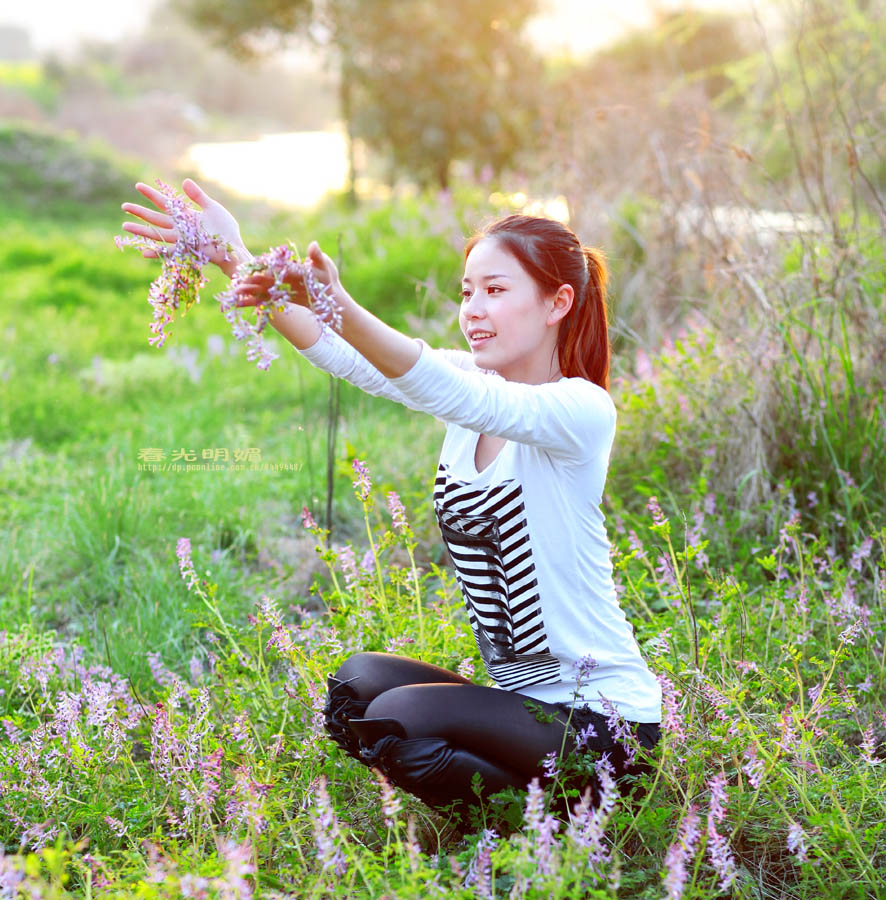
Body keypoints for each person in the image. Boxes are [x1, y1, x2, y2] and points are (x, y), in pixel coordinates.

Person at [120, 178, 662, 821]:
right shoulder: (473, 391)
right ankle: (537, 816)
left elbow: (443, 386)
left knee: (400, 718)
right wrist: (232, 255)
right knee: (355, 689)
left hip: (607, 729)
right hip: (532, 711)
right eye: (467, 292)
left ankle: (549, 834)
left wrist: (337, 299)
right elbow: (342, 355)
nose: (474, 309)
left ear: (556, 303)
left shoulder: (579, 411)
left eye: (495, 290)